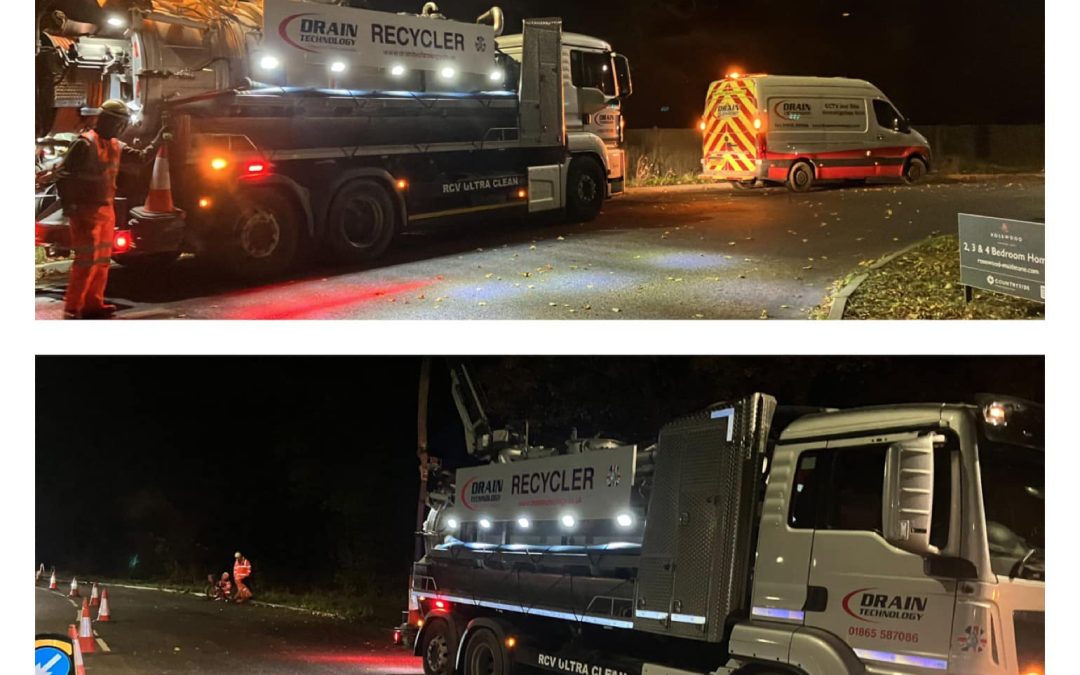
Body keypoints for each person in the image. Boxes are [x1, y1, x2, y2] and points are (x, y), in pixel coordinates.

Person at [56, 99, 169, 319]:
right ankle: (73, 308)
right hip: (85, 212)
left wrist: (158, 139)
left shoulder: (116, 145)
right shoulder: (85, 143)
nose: (120, 128)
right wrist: (71, 207)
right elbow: (64, 177)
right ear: (107, 120)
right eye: (119, 123)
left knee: (101, 261)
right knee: (86, 261)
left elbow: (142, 158)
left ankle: (93, 304)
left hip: (105, 211)